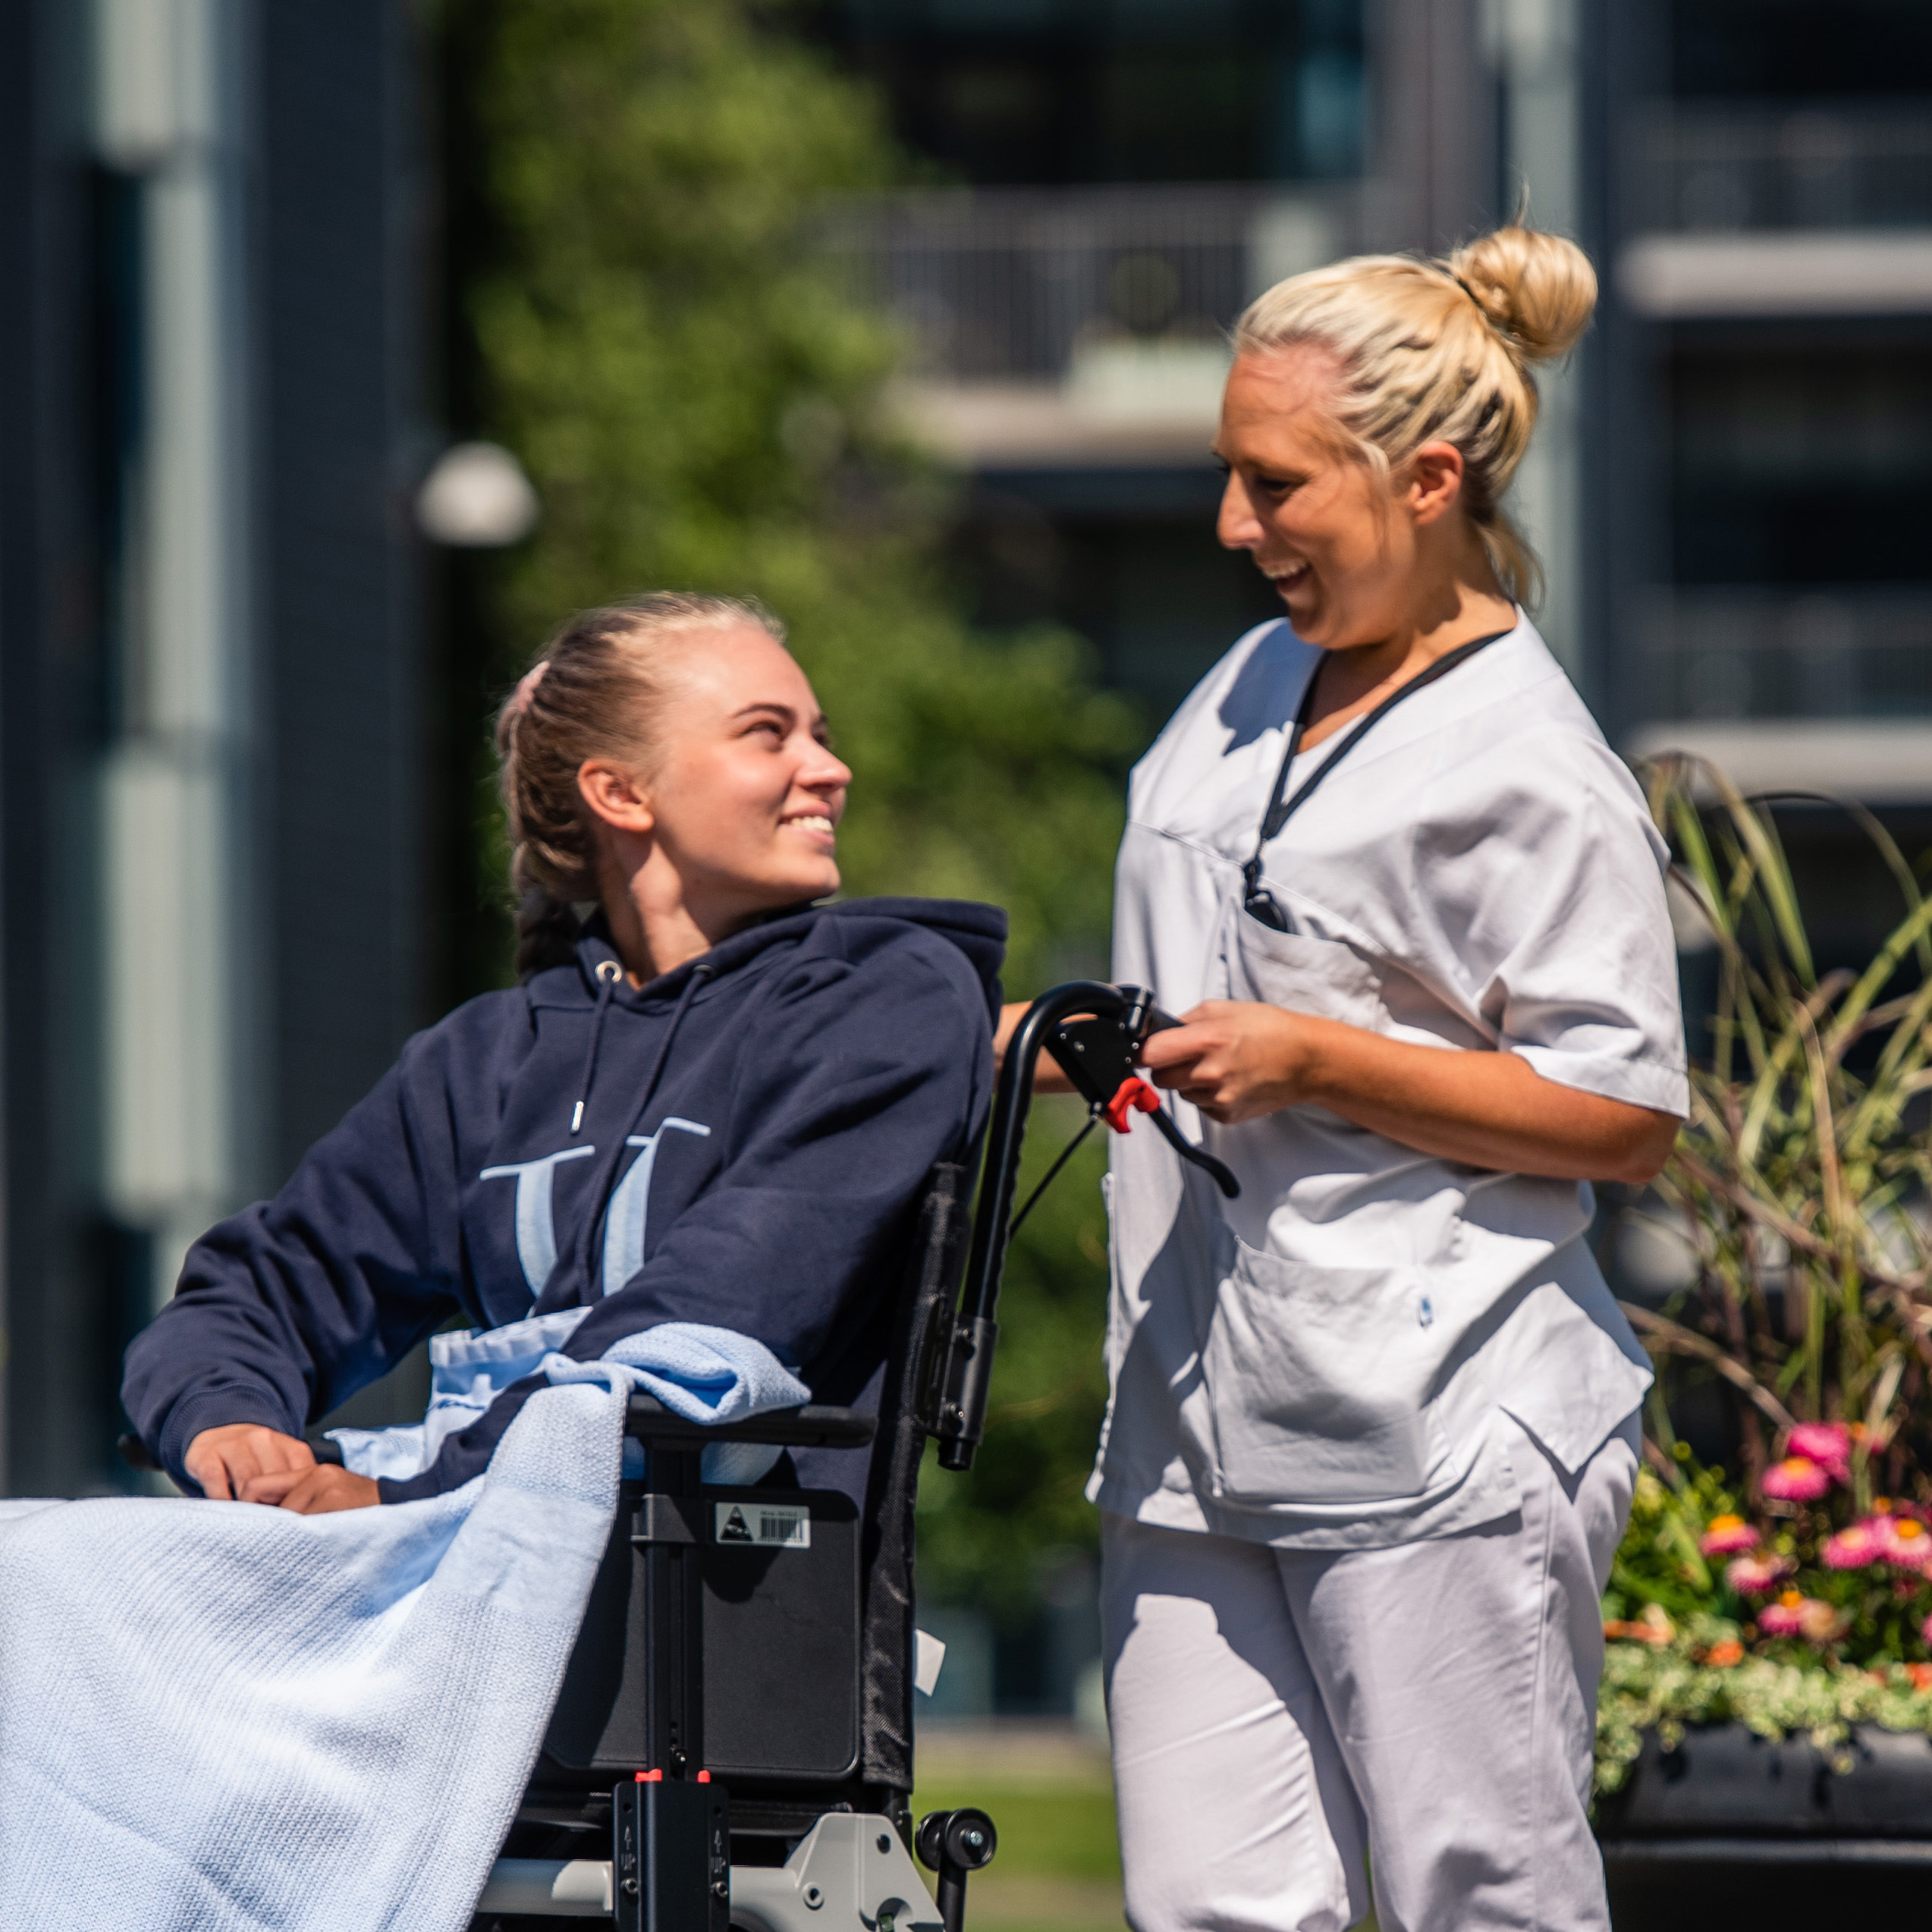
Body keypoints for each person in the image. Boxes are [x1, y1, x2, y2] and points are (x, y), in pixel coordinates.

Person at [1005, 227, 1687, 1931]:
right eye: (1227, 474)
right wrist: (1049, 1037)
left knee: (1481, 1899)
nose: (1232, 526)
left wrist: (1318, 1058)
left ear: (1427, 479)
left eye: (1274, 482)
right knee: (1207, 1904)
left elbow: (1627, 1117)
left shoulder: (1535, 769)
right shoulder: (1249, 676)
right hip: (1189, 1409)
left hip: (1435, 1415)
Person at [124, 592, 1001, 1514]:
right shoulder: (482, 1061)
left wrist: (408, 1498)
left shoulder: (888, 999)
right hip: (475, 1568)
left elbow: (709, 1317)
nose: (830, 769)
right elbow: (267, 1286)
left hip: (728, 1592)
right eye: (768, 735)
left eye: (817, 736)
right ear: (620, 793)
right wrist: (226, 1421)